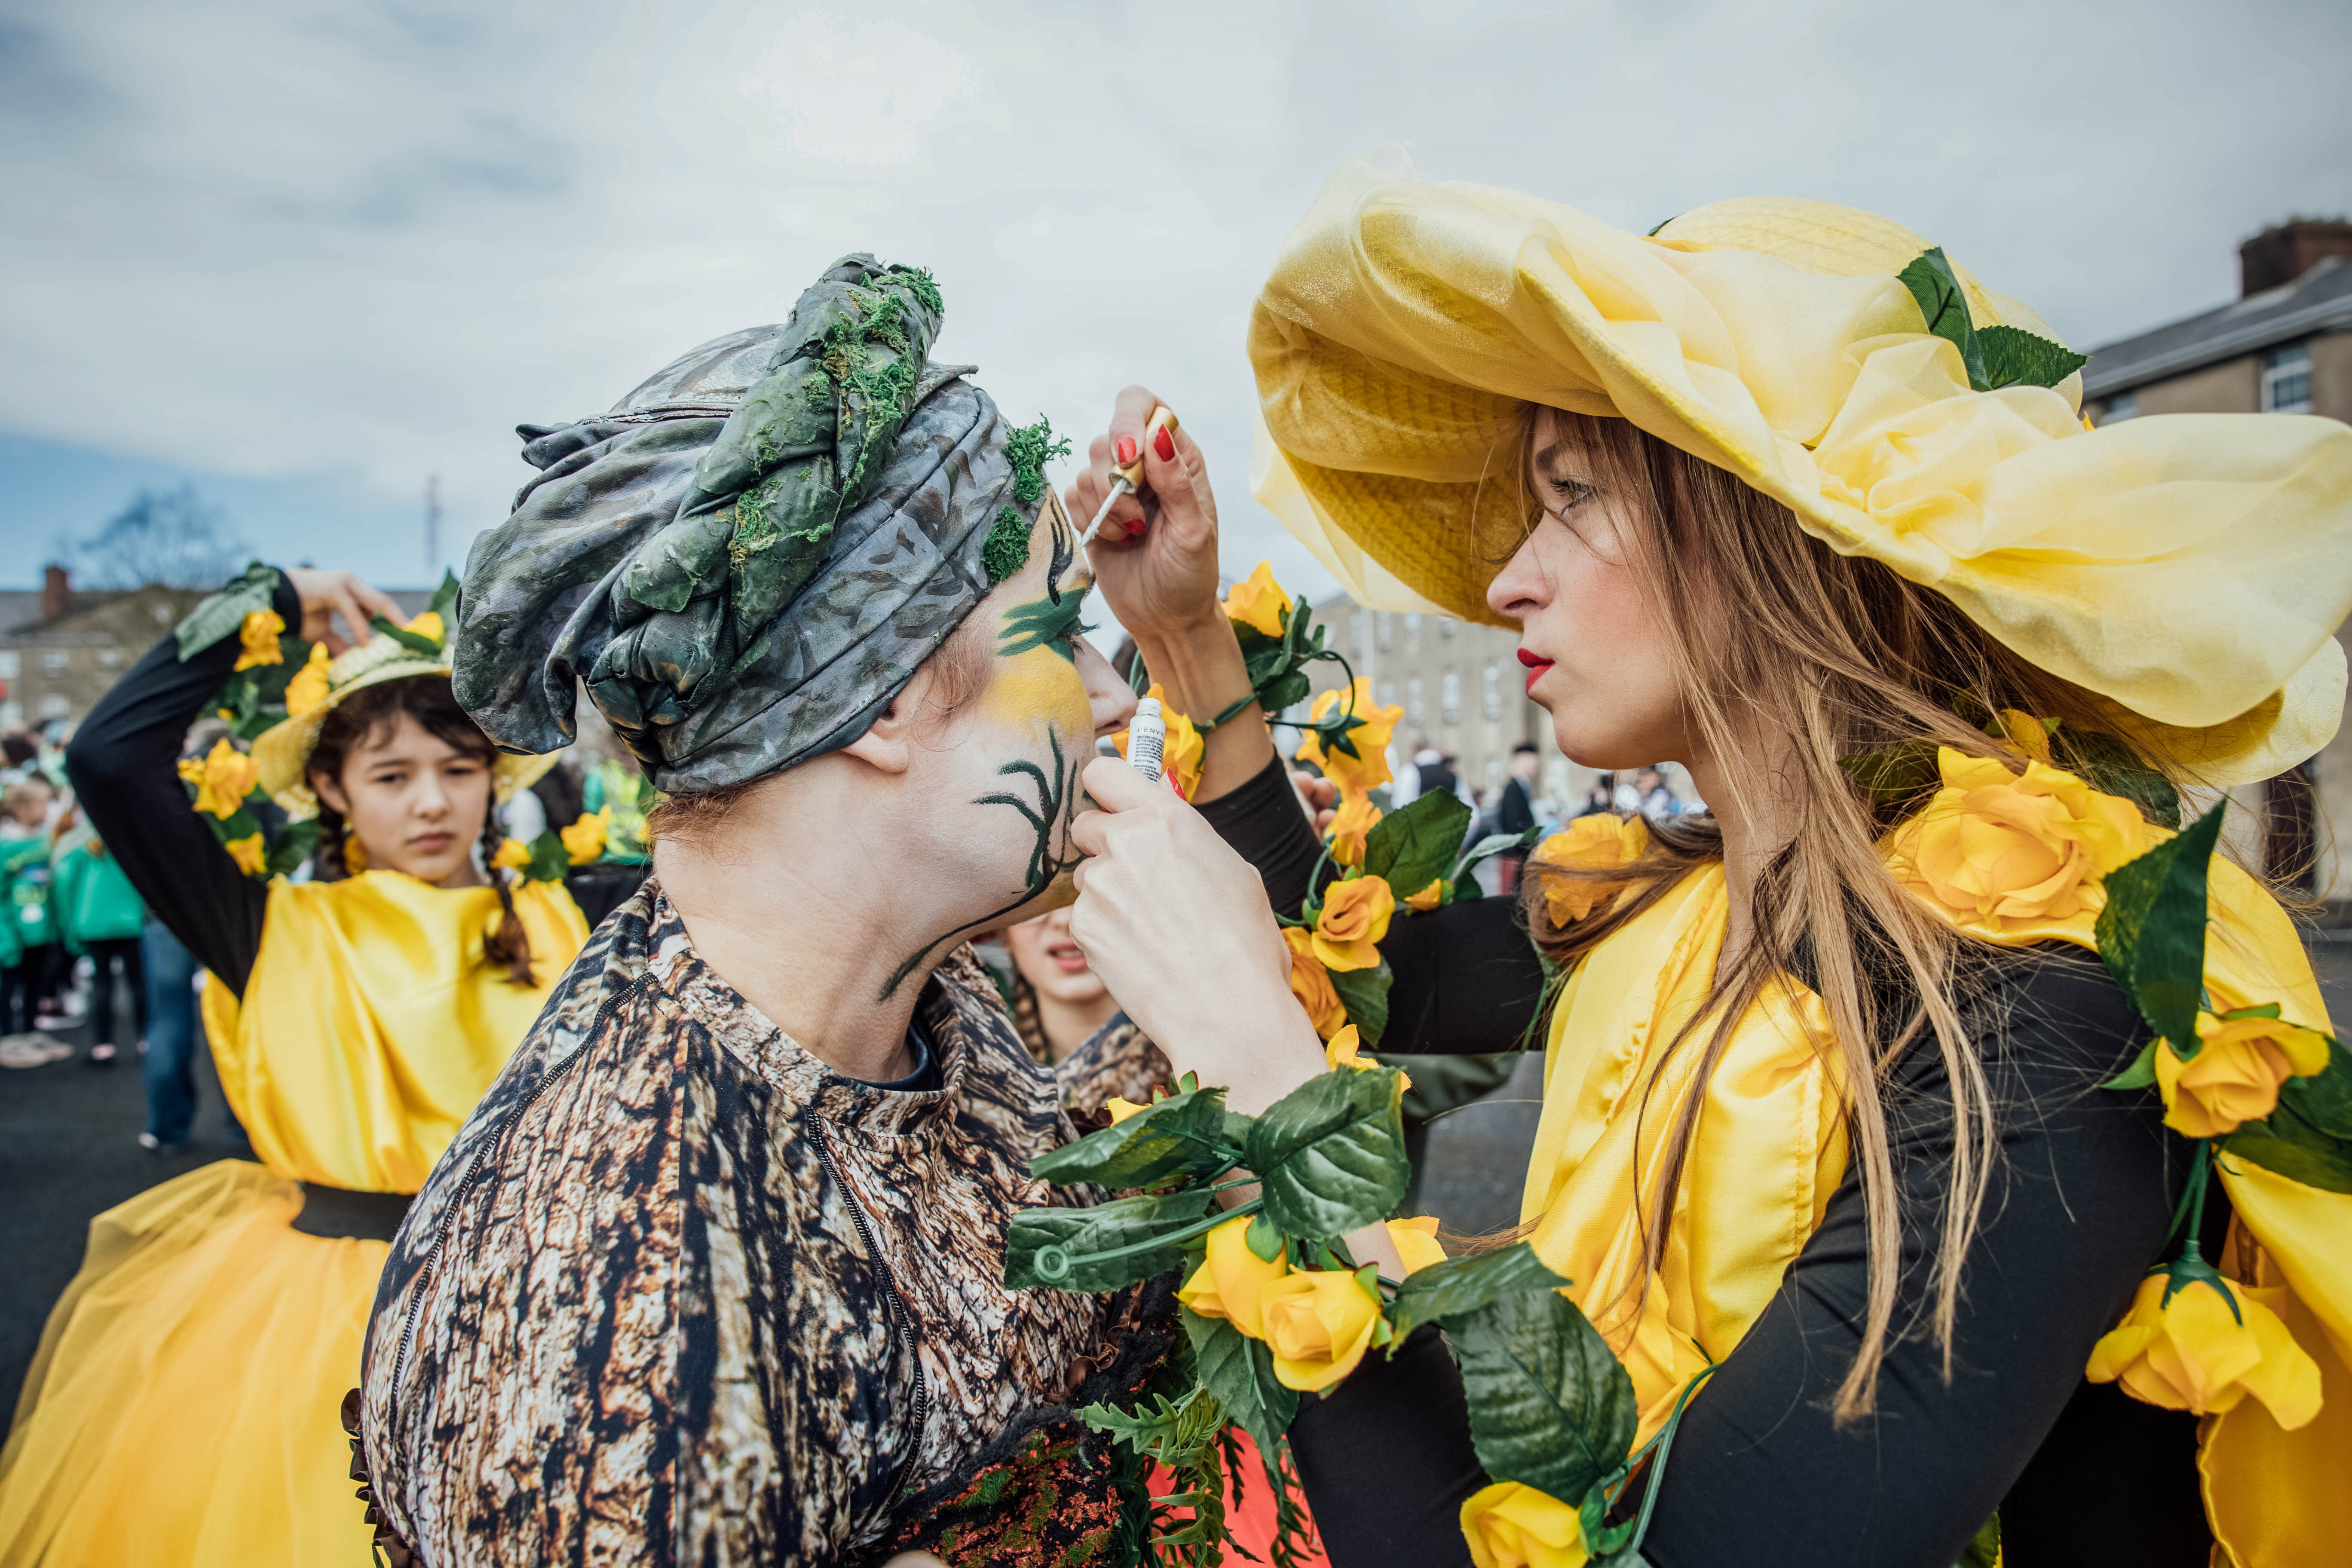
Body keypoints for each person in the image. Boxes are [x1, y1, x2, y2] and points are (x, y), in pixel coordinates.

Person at [1058, 167, 2352, 1568]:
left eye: (1570, 499)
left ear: (1765, 526)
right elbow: (1338, 958)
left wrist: (1274, 1095)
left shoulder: (2052, 993)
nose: (1506, 580)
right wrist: (1189, 643)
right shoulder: (1662, 900)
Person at [352, 257, 1173, 1568]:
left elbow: (1087, 1174)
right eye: (1059, 628)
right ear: (891, 701)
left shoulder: (910, 995)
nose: (1109, 690)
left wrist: (1203, 651)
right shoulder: (624, 1336)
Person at [0, 565, 590, 1567]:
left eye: (458, 768)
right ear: (329, 786)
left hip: (538, 1292)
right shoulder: (265, 924)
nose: (433, 803)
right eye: (391, 776)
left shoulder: (573, 907)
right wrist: (268, 607)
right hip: (318, 1320)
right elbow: (109, 759)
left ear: (495, 775)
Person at [50, 809, 146, 1067]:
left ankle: (103, 1046)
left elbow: (64, 886)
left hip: (92, 924)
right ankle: (145, 1041)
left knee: (102, 985)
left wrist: (69, 929)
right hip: (130, 923)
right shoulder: (130, 844)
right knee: (138, 983)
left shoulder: (77, 847)